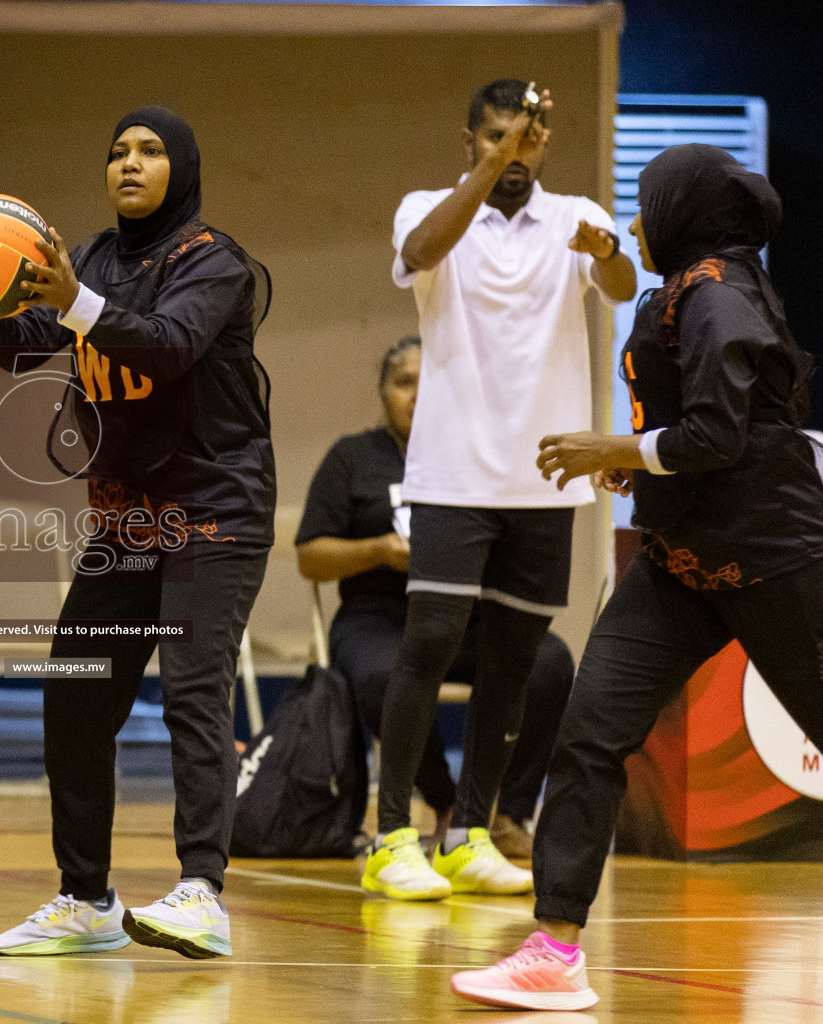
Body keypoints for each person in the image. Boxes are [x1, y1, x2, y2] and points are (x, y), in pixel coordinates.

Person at [452, 144, 823, 1010]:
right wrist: (641, 468)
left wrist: (611, 448)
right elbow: (699, 440)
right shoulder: (684, 290)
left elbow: (719, 436)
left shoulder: (719, 294)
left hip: (773, 558)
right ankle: (554, 950)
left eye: (647, 205)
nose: (636, 222)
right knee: (590, 734)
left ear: (688, 212)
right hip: (680, 561)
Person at [0, 107, 273, 959]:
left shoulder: (213, 261)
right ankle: (87, 901)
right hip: (126, 519)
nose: (129, 163)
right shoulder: (86, 259)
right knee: (75, 700)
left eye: (150, 152)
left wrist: (73, 299)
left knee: (195, 691)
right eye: (116, 150)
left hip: (213, 509)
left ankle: (202, 891)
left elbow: (165, 345)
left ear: (181, 168)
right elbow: (21, 349)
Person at [363, 79, 637, 901]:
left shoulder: (574, 215)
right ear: (470, 139)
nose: (514, 152)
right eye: (495, 137)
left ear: (546, 143)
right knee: (431, 643)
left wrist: (607, 254)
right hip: (453, 471)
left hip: (546, 476)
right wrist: (488, 169)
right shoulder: (429, 207)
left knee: (515, 663)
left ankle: (471, 833)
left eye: (525, 140)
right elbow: (418, 256)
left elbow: (621, 288)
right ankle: (391, 837)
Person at [296, 336, 574, 858]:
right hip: (379, 618)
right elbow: (310, 556)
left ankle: (506, 812)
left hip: (466, 615)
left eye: (433, 384)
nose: (418, 396)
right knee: (384, 676)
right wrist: (379, 550)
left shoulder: (478, 458)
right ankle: (447, 805)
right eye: (405, 382)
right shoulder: (352, 457)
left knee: (550, 661)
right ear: (383, 393)